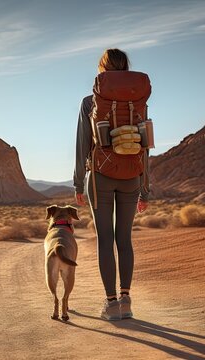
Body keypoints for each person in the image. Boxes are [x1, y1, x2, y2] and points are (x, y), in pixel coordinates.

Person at [73, 48, 150, 321]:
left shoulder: (88, 102)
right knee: (124, 240)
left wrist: (77, 183)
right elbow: (145, 144)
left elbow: (83, 143)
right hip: (132, 174)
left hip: (100, 175)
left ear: (102, 69)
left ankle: (111, 304)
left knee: (105, 239)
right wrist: (145, 187)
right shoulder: (139, 101)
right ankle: (127, 301)